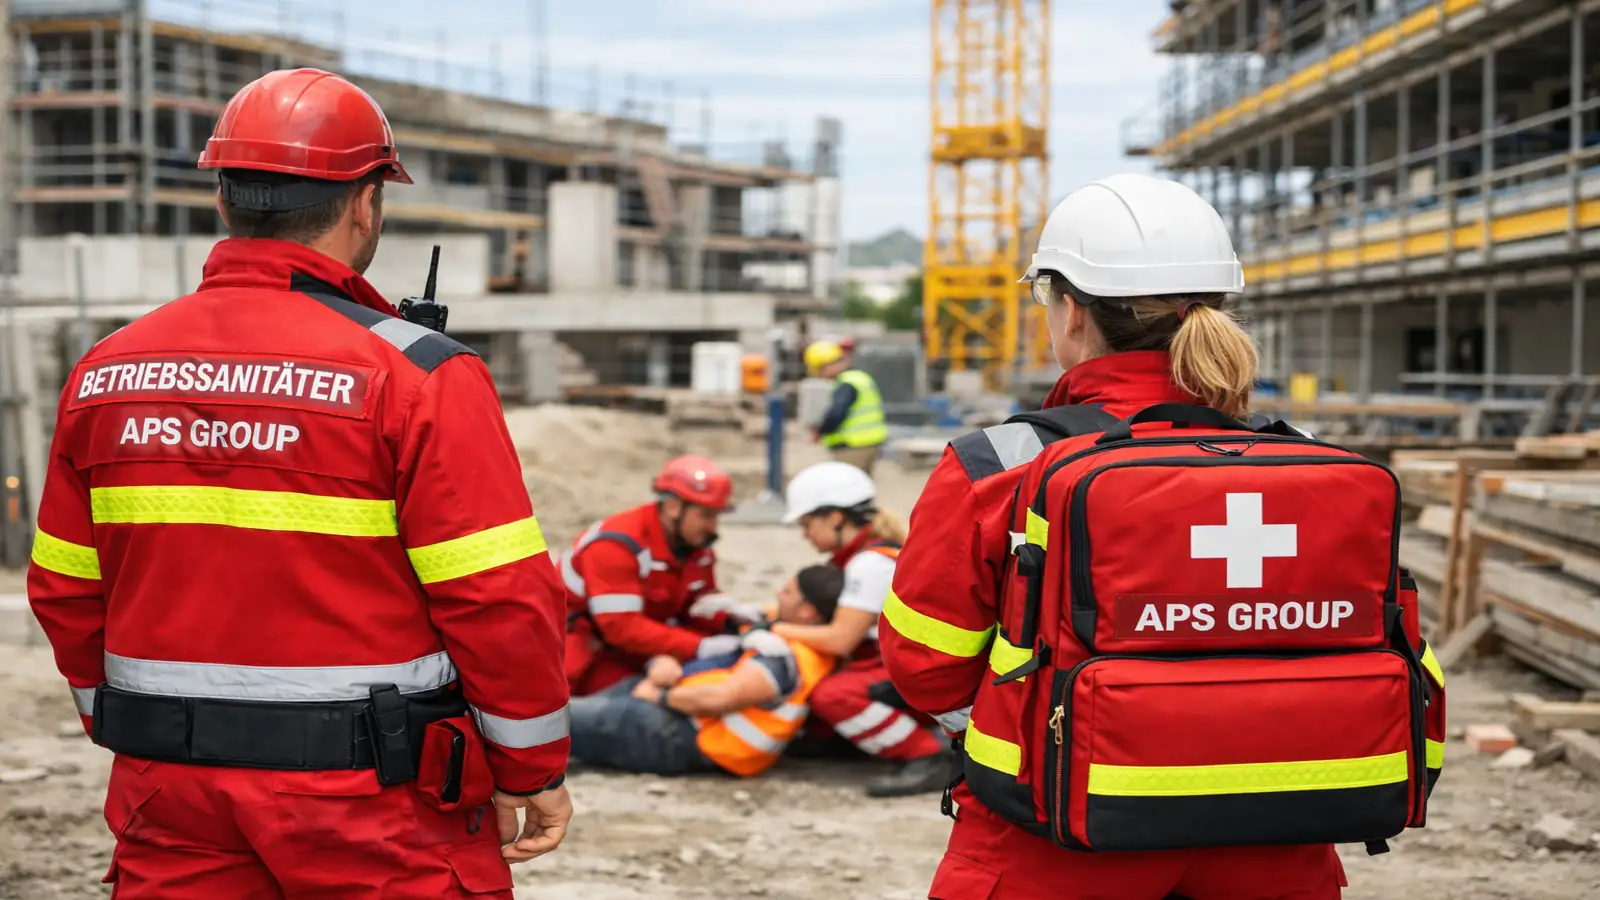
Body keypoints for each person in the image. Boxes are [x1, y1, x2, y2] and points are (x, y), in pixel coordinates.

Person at [26, 68, 570, 900]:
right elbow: (497, 594)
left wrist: (125, 719)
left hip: (169, 791)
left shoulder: (108, 367)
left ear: (224, 202)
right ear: (363, 204)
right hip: (373, 804)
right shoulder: (417, 374)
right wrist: (528, 766)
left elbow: (65, 584)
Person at [880, 173, 1345, 899]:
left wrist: (1052, 717)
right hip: (1278, 836)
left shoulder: (1000, 464)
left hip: (1057, 836)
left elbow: (926, 665)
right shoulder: (1311, 460)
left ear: (1070, 312)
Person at [775, 462, 951, 797]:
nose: (804, 534)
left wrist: (777, 629)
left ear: (835, 517)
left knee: (834, 695)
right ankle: (854, 741)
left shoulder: (869, 564)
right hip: (908, 659)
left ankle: (926, 755)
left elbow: (840, 640)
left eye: (807, 523)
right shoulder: (872, 552)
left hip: (911, 667)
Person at [567, 565, 843, 776]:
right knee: (563, 715)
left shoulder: (784, 656)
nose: (778, 596)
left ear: (807, 612)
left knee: (555, 721)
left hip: (682, 732)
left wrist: (661, 696)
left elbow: (721, 698)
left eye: (787, 592)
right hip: (678, 712)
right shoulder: (794, 635)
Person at [561, 454, 762, 696]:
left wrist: (729, 618)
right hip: (583, 649)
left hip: (637, 642)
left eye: (716, 516)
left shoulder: (693, 545)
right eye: (706, 515)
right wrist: (699, 646)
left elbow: (697, 600)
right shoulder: (616, 546)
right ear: (673, 507)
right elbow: (621, 626)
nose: (713, 527)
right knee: (633, 707)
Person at [804, 340, 888, 474]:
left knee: (847, 490)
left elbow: (836, 414)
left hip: (853, 446)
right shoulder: (860, 377)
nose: (821, 376)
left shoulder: (846, 383)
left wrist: (820, 431)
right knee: (861, 488)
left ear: (826, 365)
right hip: (871, 443)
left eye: (820, 371)